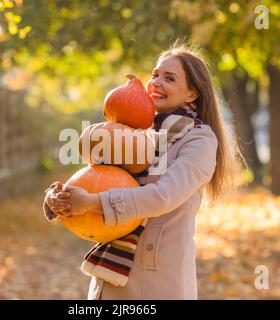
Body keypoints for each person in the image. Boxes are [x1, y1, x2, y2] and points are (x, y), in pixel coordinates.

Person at [43, 41, 238, 300]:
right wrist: (59, 198)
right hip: (110, 276)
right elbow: (97, 176)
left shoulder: (199, 140)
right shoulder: (136, 132)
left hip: (157, 279)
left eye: (169, 78)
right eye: (155, 75)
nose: (156, 82)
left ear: (192, 94)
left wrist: (91, 202)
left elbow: (163, 196)